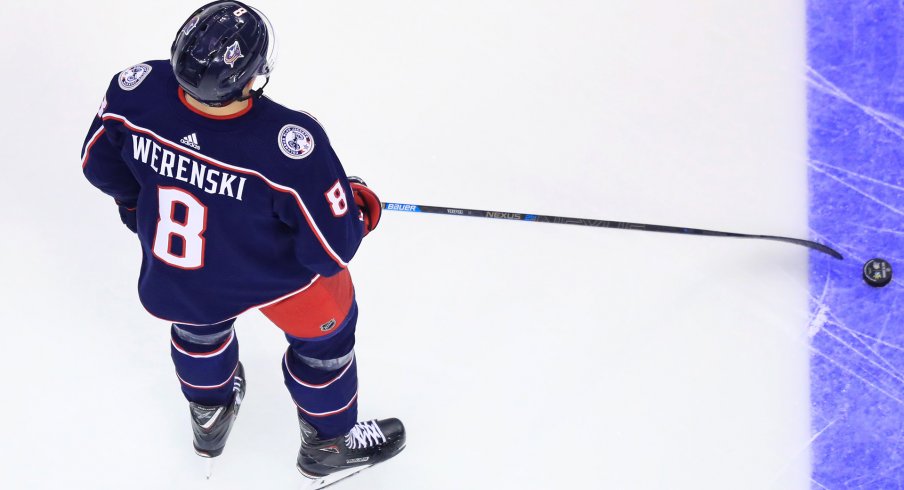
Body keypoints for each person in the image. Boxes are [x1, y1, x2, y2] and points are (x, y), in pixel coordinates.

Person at [80, 2, 405, 487]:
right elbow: (331, 249)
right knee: (325, 347)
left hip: (180, 272)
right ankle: (329, 443)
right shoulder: (290, 143)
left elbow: (99, 165)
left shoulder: (137, 89)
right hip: (280, 280)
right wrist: (359, 207)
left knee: (197, 332)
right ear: (252, 77)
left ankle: (209, 415)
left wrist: (137, 211)